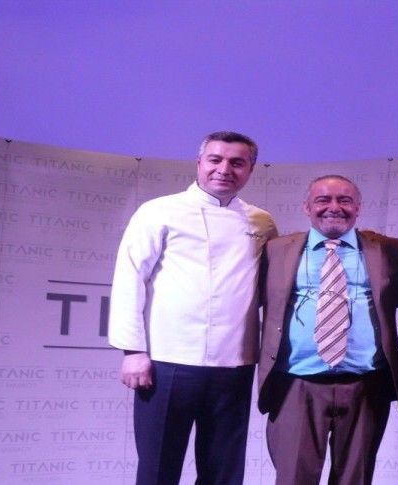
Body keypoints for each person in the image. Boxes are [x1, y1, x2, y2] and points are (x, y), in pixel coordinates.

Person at [108, 131, 277, 485]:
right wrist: (133, 351)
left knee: (223, 473)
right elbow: (129, 278)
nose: (224, 169)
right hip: (167, 361)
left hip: (235, 364)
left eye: (237, 163)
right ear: (199, 163)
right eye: (215, 160)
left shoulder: (262, 222)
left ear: (250, 170)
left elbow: (271, 289)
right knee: (158, 469)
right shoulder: (158, 211)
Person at [257, 174, 398, 485]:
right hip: (296, 383)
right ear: (306, 207)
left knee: (355, 479)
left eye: (344, 200)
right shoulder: (276, 250)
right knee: (293, 479)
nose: (334, 207)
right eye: (323, 200)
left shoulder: (388, 249)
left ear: (358, 207)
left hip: (366, 384)